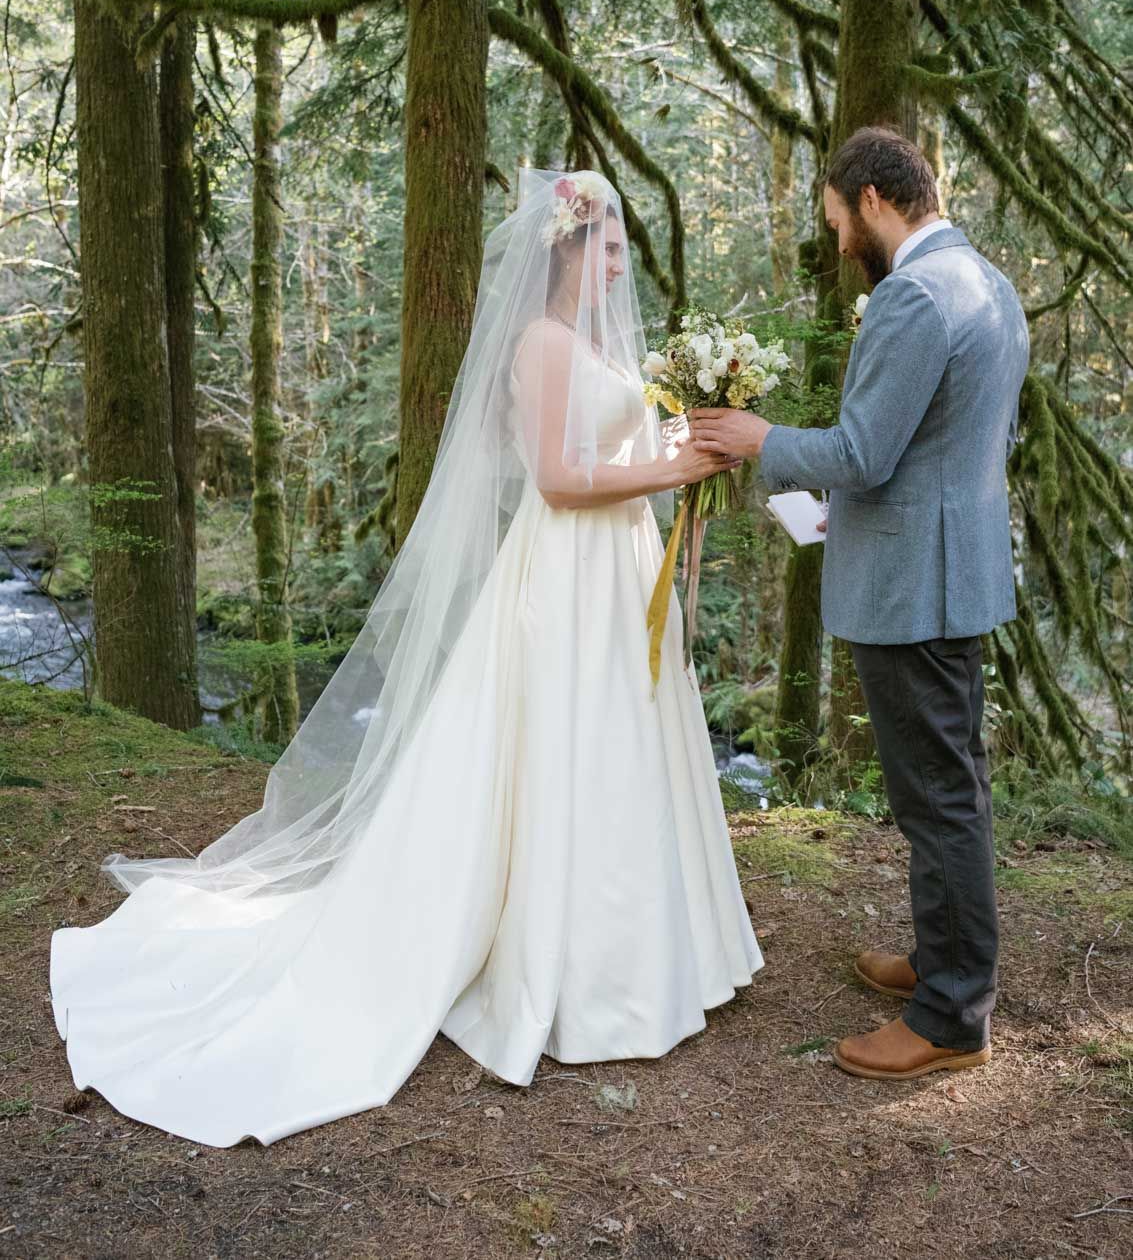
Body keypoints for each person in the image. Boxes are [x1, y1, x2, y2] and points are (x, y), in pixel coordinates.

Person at [50, 168, 762, 1147]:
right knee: (563, 751)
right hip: (564, 578)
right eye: (601, 249)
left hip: (619, 574)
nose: (613, 267)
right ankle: (562, 969)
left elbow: (618, 445)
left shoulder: (599, 345)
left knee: (623, 751)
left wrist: (695, 436)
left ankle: (650, 957)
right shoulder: (542, 344)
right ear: (562, 247)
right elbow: (558, 481)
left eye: (618, 253)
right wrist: (669, 464)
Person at [690, 126, 1029, 1080]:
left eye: (837, 220)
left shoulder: (913, 295)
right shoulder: (986, 283)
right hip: (947, 568)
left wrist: (758, 439)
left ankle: (952, 1014)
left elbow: (859, 454)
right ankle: (938, 959)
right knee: (944, 786)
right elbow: (956, 444)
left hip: (912, 588)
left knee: (937, 799)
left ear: (874, 200)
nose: (838, 242)